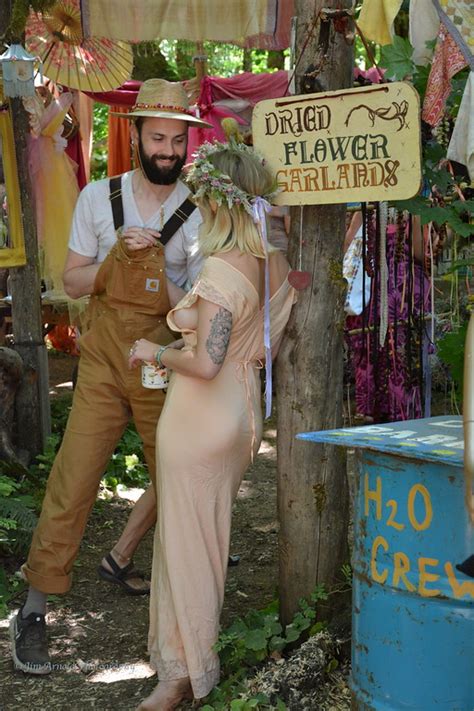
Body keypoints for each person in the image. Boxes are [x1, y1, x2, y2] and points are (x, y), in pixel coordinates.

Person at [10, 79, 212, 675]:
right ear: (138, 134)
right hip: (99, 363)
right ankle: (33, 610)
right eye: (159, 137)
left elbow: (197, 309)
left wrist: (154, 268)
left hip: (159, 363)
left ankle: (184, 628)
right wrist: (115, 259)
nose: (169, 149)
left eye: (179, 139)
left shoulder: (200, 214)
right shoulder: (98, 198)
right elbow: (71, 282)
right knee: (72, 479)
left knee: (176, 483)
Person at [128, 140, 296, 709]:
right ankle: (183, 665)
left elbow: (205, 361)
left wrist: (155, 350)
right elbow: (268, 342)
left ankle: (185, 676)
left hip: (200, 419)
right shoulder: (275, 261)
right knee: (202, 539)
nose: (196, 208)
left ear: (219, 204)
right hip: (241, 413)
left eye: (200, 199)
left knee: (187, 549)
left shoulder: (223, 268)